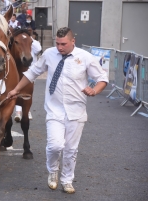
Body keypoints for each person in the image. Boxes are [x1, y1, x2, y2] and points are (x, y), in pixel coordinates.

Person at [7, 27, 108, 194]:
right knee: (55, 146)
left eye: (63, 44)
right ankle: (53, 171)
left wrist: (95, 90)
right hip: (54, 110)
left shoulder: (85, 57)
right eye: (57, 43)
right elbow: (32, 72)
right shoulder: (49, 54)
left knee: (70, 149)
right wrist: (16, 89)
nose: (60, 47)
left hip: (76, 111)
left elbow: (102, 78)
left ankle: (67, 180)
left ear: (72, 41)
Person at [14, 29, 42, 122]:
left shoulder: (33, 43)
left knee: (27, 93)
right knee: (16, 91)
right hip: (23, 68)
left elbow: (38, 49)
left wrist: (29, 40)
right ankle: (18, 112)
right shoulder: (20, 42)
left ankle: (27, 111)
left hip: (31, 69)